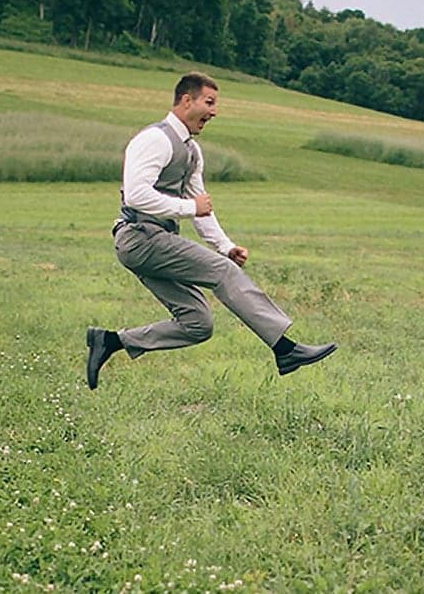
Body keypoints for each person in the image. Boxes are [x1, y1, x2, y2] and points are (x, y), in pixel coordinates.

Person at [85, 72, 336, 389]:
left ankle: (109, 342)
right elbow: (137, 194)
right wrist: (189, 209)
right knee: (223, 273)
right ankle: (286, 349)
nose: (214, 111)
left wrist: (225, 246)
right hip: (139, 237)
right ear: (186, 100)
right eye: (209, 102)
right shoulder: (155, 140)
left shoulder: (192, 151)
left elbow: (201, 207)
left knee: (198, 324)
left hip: (158, 239)